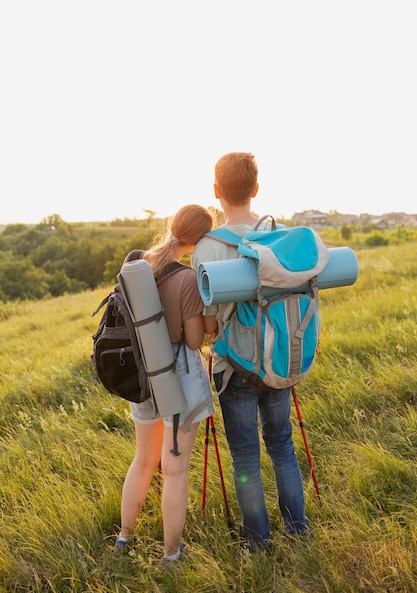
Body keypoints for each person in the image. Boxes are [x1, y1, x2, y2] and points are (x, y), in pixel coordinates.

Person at [192, 152, 310, 552]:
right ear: (256, 189)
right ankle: (299, 529)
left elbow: (208, 324)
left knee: (245, 457)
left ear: (216, 193)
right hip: (278, 358)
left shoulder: (205, 247)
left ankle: (258, 542)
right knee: (282, 445)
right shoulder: (280, 238)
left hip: (233, 367)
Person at [115, 204, 216, 565]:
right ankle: (171, 553)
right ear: (200, 239)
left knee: (143, 460)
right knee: (174, 469)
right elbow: (192, 342)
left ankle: (125, 538)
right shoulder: (187, 278)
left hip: (143, 376)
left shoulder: (137, 265)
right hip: (178, 380)